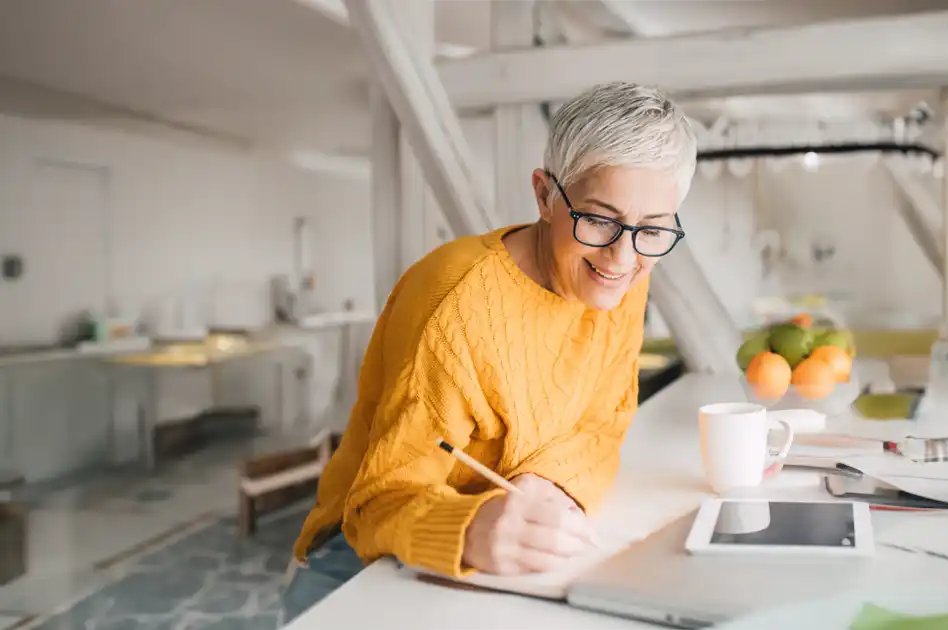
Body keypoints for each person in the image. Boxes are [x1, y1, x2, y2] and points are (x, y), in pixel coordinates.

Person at [280, 81, 697, 622]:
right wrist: (471, 529)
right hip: (363, 568)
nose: (622, 255)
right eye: (598, 219)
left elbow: (605, 422)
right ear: (545, 196)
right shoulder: (455, 304)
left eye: (653, 229)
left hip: (503, 567)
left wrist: (545, 480)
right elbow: (378, 503)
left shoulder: (623, 276)